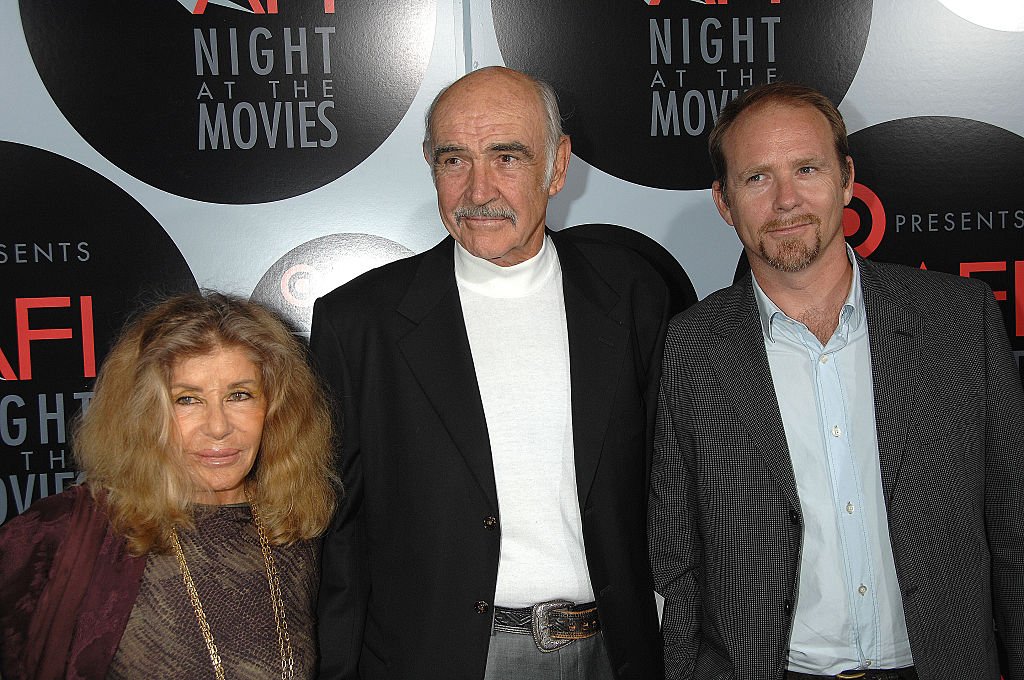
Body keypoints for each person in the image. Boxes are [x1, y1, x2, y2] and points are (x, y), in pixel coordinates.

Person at [649, 80, 1024, 680]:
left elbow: (1014, 529)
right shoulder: (692, 346)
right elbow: (676, 558)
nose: (786, 200)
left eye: (806, 168)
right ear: (723, 202)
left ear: (847, 179)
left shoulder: (957, 319)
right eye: (757, 178)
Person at [311, 66, 668, 680]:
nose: (479, 191)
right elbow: (338, 536)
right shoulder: (358, 322)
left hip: (614, 654)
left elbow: (672, 492)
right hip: (439, 660)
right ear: (429, 164)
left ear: (557, 166)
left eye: (507, 157)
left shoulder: (632, 295)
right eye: (454, 161)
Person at [0, 292, 337, 679]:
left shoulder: (299, 533)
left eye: (239, 395)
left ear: (277, 407)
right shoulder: (64, 534)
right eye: (187, 399)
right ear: (145, 412)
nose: (218, 426)